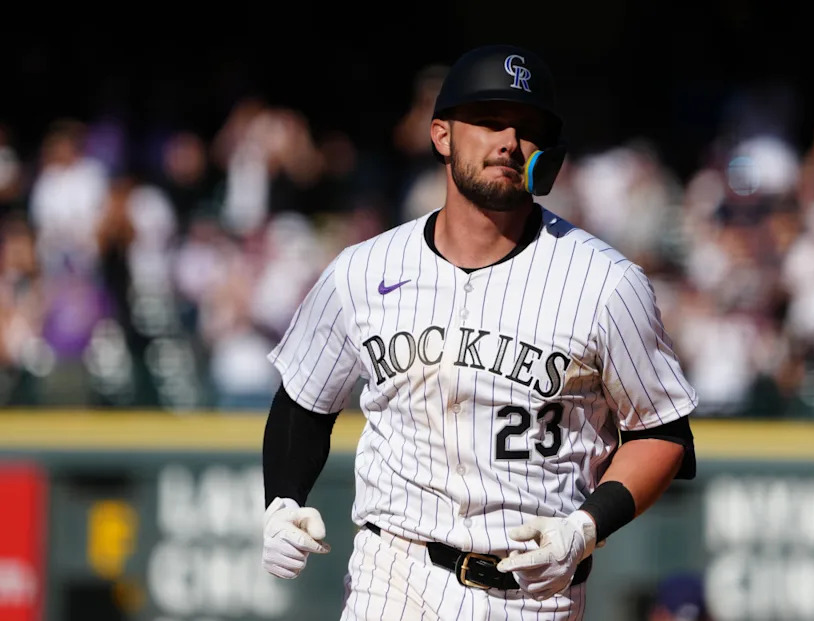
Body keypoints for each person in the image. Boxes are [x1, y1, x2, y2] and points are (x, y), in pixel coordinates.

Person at [260, 43, 699, 620]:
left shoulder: (605, 284)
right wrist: (283, 499)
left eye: (528, 128)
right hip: (394, 573)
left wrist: (584, 527)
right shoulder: (362, 272)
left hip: (536, 593)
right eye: (489, 121)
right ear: (441, 135)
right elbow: (303, 401)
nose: (509, 142)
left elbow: (663, 433)